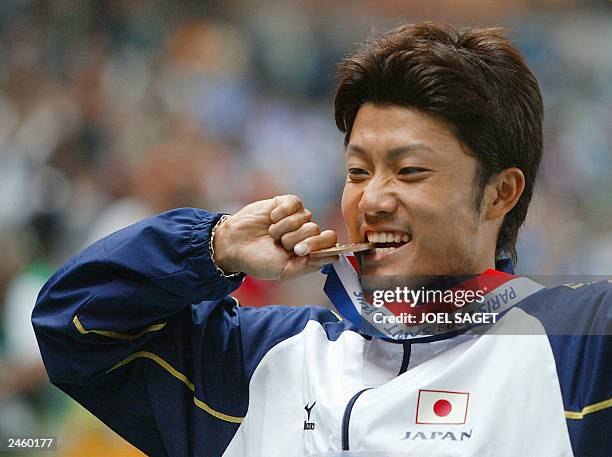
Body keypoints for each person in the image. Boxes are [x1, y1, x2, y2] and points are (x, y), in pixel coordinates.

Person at [32, 22, 610, 457]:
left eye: (409, 171)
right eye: (358, 171)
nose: (373, 198)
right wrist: (213, 245)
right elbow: (71, 327)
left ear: (500, 194)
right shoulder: (261, 360)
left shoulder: (578, 342)